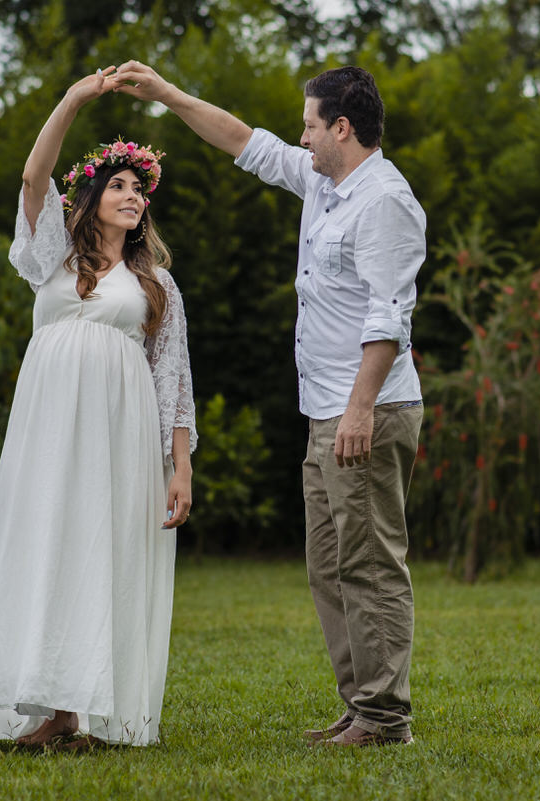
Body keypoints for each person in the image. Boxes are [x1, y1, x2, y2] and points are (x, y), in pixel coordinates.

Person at [112, 61, 424, 746]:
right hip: (324, 410)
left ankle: (384, 716)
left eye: (310, 124)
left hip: (365, 407)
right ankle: (360, 703)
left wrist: (361, 408)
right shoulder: (323, 179)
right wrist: (165, 94)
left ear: (342, 127)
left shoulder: (385, 202)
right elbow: (240, 140)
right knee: (328, 560)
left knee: (369, 559)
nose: (301, 136)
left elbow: (389, 315)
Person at [0, 67, 197, 750]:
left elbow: (174, 379)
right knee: (48, 540)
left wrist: (180, 466)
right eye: (117, 185)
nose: (131, 196)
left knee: (102, 549)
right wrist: (74, 98)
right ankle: (48, 706)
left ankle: (79, 712)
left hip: (120, 434)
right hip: (51, 426)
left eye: (139, 189)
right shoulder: (53, 259)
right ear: (89, 197)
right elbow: (33, 179)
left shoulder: (156, 285)